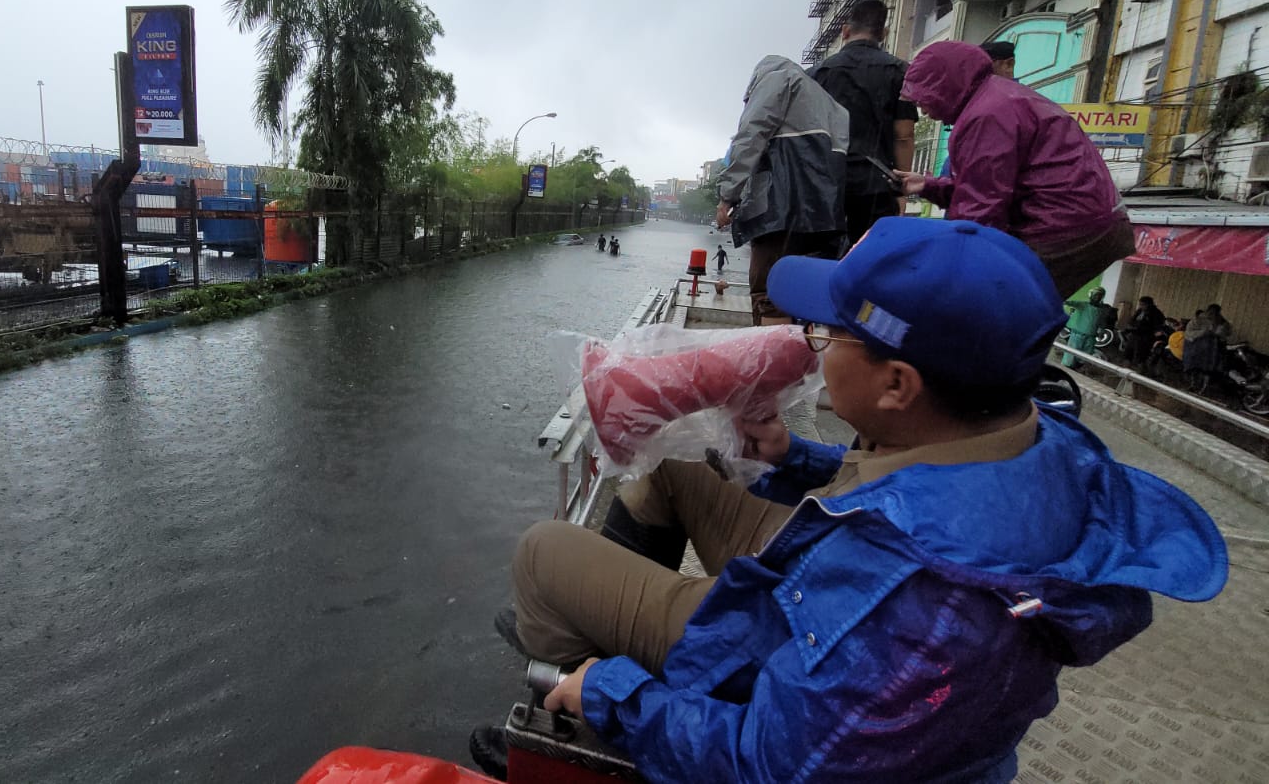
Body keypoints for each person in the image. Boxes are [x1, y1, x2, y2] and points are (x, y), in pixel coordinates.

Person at [474, 217, 1224, 783]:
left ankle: (580, 730)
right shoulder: (1039, 435)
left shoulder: (926, 619)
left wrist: (612, 693)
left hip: (803, 643)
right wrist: (795, 456)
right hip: (832, 577)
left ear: (898, 386)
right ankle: (629, 660)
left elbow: (771, 765)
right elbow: (928, 491)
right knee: (675, 466)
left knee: (544, 555)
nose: (813, 345)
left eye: (829, 334)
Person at [894, 41, 1136, 299]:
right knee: (1009, 311)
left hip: (1063, 227)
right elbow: (995, 187)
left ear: (946, 86)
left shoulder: (986, 114)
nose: (924, 110)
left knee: (990, 308)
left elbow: (980, 211)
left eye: (926, 98)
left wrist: (949, 271)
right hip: (1087, 222)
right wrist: (928, 185)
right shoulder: (1000, 97)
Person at [712, 55, 849, 324]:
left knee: (769, 292)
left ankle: (771, 364)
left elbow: (751, 136)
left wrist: (728, 195)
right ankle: (796, 359)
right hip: (823, 216)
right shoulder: (832, 106)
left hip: (780, 209)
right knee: (800, 294)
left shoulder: (776, 80)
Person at [809, 0, 919, 246]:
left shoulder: (817, 74)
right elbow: (903, 134)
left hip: (825, 182)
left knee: (820, 257)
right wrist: (900, 189)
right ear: (883, 33)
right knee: (869, 258)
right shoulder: (899, 71)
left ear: (845, 31)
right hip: (876, 183)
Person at [1061, 286, 1111, 368]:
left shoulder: (1101, 311)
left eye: (1099, 296)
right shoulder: (1083, 305)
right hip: (1077, 335)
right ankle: (1066, 369)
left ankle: (1076, 368)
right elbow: (1071, 303)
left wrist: (1101, 331)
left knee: (1084, 357)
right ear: (1091, 295)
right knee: (1070, 355)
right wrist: (1063, 301)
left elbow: (1102, 323)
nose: (1097, 297)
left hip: (1091, 337)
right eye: (1096, 295)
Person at [1124, 295, 1165, 367]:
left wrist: (1148, 331)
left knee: (1141, 353)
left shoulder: (1156, 313)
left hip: (1145, 336)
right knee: (1129, 349)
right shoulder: (1140, 311)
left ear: (1149, 304)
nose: (1141, 306)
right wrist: (1132, 326)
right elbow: (1132, 320)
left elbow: (1157, 326)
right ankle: (1127, 363)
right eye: (1140, 304)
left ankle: (1140, 367)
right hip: (1135, 333)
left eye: (1143, 305)